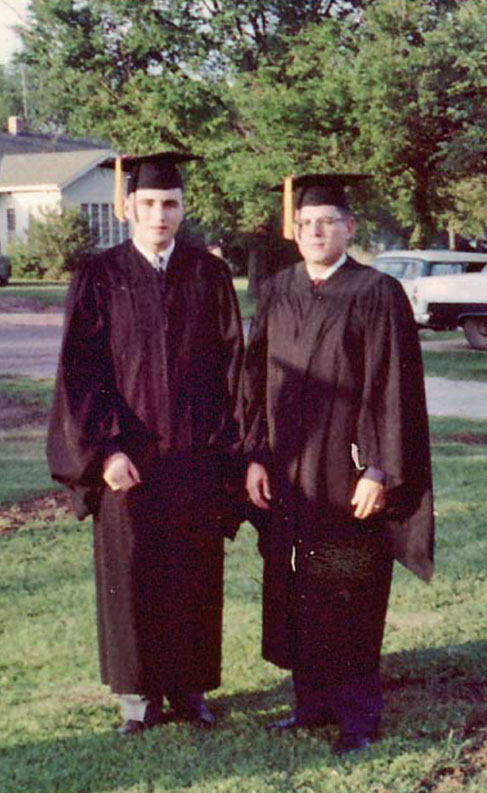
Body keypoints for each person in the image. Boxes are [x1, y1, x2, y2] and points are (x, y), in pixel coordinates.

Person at [47, 152, 244, 734]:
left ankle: (190, 691)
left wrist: (227, 449)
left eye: (171, 204)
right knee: (132, 575)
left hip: (194, 456)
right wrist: (105, 451)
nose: (160, 214)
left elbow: (233, 367)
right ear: (128, 206)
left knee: (194, 572)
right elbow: (79, 373)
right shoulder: (99, 276)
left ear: (185, 210)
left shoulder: (207, 276)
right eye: (150, 203)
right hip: (127, 461)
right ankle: (137, 699)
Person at [240, 173, 434, 754]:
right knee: (297, 584)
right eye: (306, 223)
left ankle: (357, 715)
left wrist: (379, 468)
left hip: (347, 473)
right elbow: (252, 380)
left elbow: (393, 390)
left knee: (349, 586)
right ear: (294, 231)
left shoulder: (376, 292)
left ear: (349, 229)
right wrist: (253, 456)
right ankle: (311, 703)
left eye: (328, 222)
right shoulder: (276, 290)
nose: (316, 231)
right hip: (286, 469)